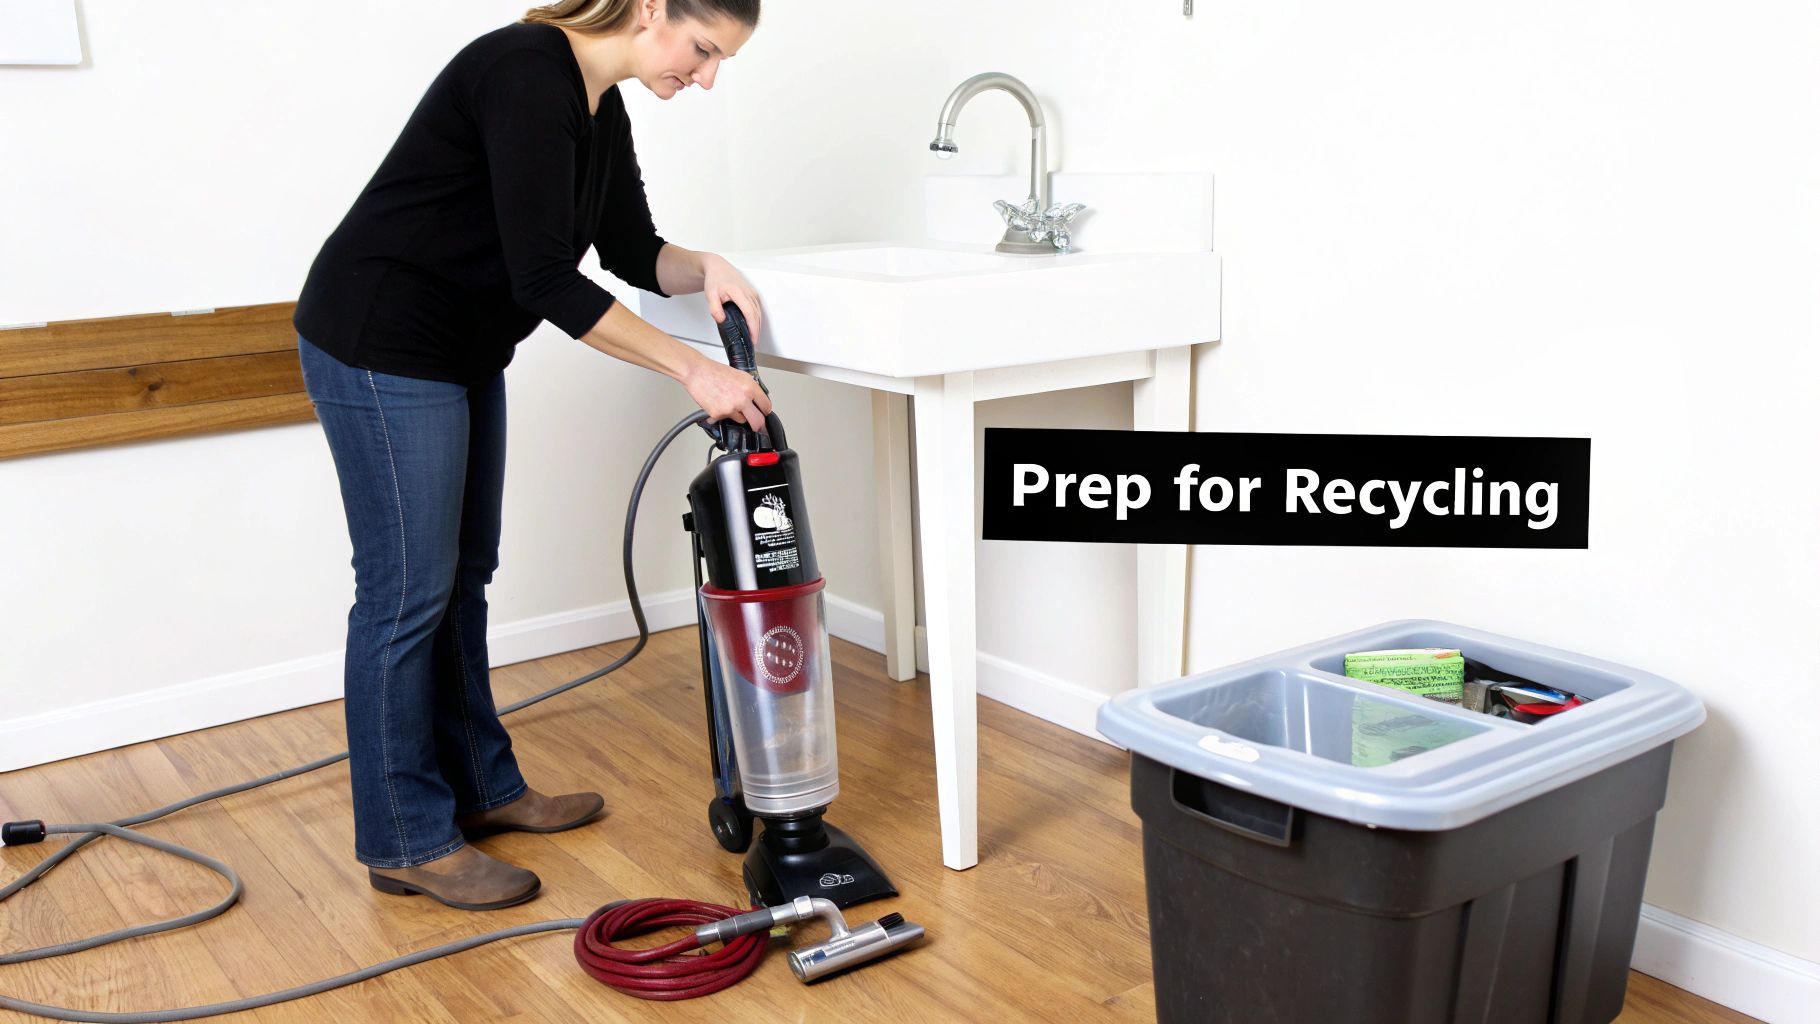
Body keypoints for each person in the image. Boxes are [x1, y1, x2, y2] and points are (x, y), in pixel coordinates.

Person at [292, 0, 766, 911]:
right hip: (382, 337)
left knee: (464, 573)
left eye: (721, 64)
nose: (705, 77)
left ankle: (483, 788)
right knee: (404, 593)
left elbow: (630, 249)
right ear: (654, 9)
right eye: (704, 50)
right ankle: (404, 837)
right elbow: (544, 276)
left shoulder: (600, 103)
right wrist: (692, 371)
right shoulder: (523, 72)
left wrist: (704, 264)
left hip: (459, 348)